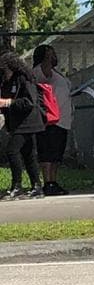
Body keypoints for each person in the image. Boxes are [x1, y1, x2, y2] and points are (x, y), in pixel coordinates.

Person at [0, 51, 45, 199]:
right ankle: (37, 186)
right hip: (17, 122)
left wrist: (8, 102)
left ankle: (17, 186)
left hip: (28, 122)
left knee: (12, 151)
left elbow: (29, 102)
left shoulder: (24, 79)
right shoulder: (7, 82)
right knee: (28, 154)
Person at [31, 44, 73, 195]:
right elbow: (45, 79)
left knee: (57, 152)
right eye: (50, 54)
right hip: (50, 118)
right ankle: (47, 182)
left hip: (62, 118)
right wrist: (46, 60)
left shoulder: (56, 72)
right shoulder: (39, 71)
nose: (54, 57)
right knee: (47, 151)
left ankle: (53, 181)